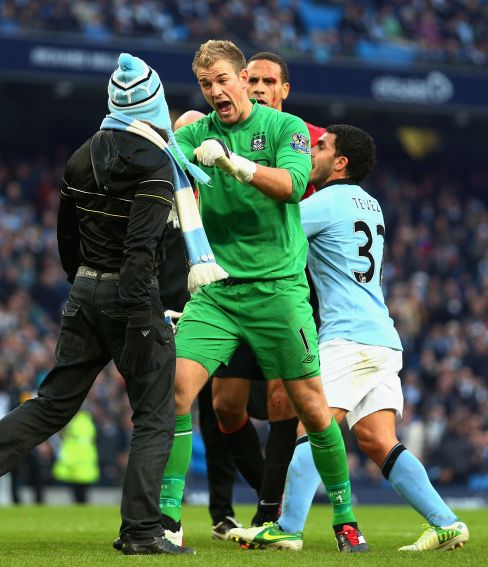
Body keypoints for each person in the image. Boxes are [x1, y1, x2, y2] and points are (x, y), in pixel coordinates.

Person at [0, 52, 202, 555]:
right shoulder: (157, 163)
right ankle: (142, 531)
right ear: (155, 102)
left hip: (84, 290)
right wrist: (144, 315)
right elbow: (141, 253)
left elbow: (66, 243)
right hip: (132, 298)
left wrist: (88, 290)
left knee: (54, 402)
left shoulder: (81, 155)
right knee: (154, 415)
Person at [159, 40, 366, 553]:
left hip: (278, 290)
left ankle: (344, 519)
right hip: (218, 291)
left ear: (242, 76)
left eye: (224, 80)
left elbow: (294, 185)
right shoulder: (198, 131)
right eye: (207, 85)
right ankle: (166, 518)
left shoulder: (286, 129)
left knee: (312, 409)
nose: (216, 92)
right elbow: (166, 172)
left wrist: (234, 165)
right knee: (177, 393)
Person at [229, 125, 470, 551]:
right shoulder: (370, 204)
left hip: (349, 339)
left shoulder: (325, 202)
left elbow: (276, 240)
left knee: (314, 426)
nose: (311, 154)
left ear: (339, 162)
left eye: (320, 147)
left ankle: (287, 528)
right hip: (381, 339)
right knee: (378, 440)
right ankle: (445, 522)